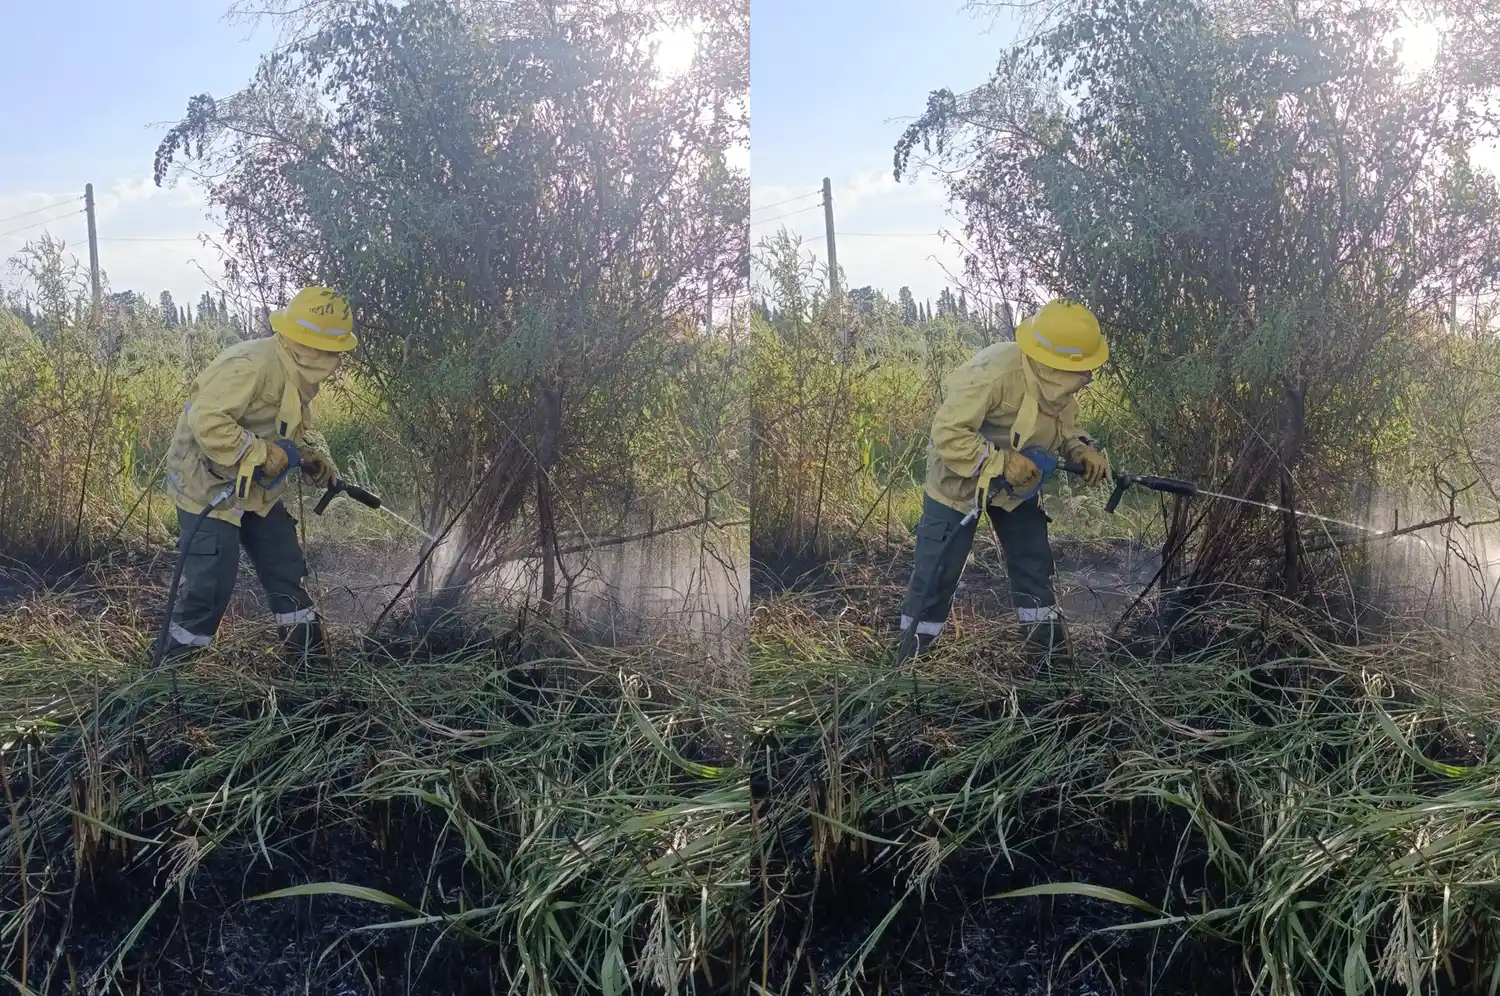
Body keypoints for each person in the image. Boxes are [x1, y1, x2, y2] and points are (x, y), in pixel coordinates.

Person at [896, 299, 1111, 668]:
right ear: (1056, 363)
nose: (1087, 377)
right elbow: (948, 432)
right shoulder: (993, 373)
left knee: (1033, 564)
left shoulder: (1060, 388)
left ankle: (1047, 659)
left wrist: (1081, 449)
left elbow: (1066, 428)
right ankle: (912, 661)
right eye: (1082, 370)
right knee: (938, 571)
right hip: (959, 482)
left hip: (1018, 488)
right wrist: (998, 462)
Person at [158, 285, 355, 672]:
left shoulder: (296, 372)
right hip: (208, 487)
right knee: (208, 587)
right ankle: (169, 679)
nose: (333, 361)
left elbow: (290, 429)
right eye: (330, 351)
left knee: (286, 565)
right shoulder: (250, 364)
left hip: (254, 491)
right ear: (310, 344)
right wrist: (262, 453)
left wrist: (313, 457)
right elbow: (208, 422)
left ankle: (310, 669)